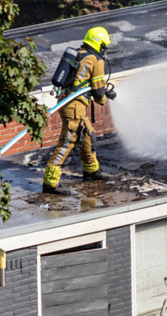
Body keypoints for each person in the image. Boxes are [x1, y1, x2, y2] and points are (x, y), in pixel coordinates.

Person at [42, 26, 117, 195]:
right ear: (99, 44)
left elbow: (81, 82)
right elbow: (98, 93)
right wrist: (105, 98)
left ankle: (91, 171)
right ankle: (50, 183)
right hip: (74, 107)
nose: (104, 50)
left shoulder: (80, 54)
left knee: (88, 135)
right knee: (67, 143)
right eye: (104, 46)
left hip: (69, 104)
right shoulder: (95, 60)